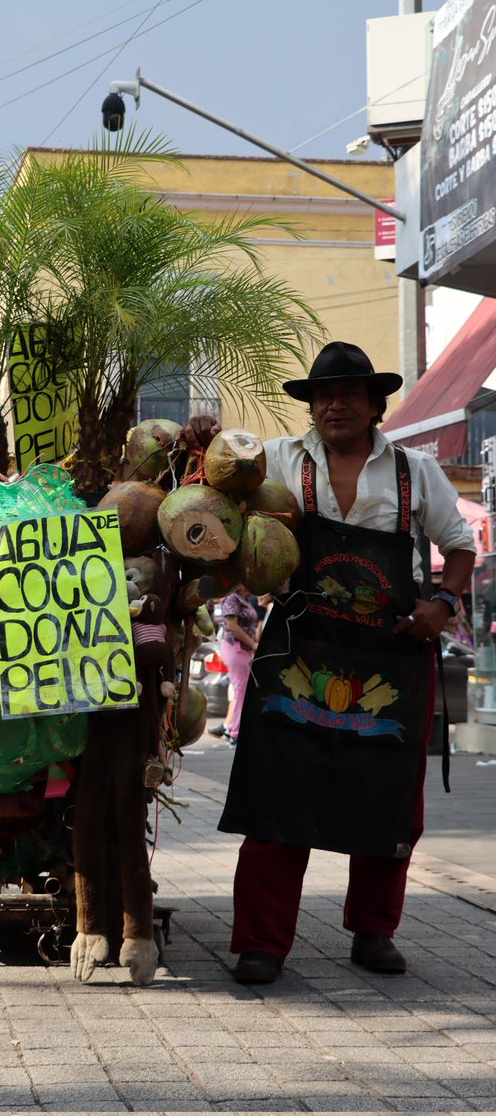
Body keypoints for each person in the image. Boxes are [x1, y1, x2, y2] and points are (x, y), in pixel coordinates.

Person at [214, 342, 476, 984]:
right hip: (296, 651)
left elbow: (459, 546)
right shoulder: (277, 459)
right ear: (311, 407)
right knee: (276, 795)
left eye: (350, 394)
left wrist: (443, 603)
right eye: (323, 396)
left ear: (375, 405)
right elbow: (219, 493)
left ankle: (374, 931)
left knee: (388, 798)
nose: (335, 405)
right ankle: (261, 943)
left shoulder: (416, 470)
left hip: (391, 660)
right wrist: (202, 449)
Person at [217, 586, 260, 744]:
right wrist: (253, 644)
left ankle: (234, 729)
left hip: (244, 649)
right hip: (236, 647)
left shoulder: (244, 600)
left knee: (242, 691)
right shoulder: (232, 598)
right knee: (241, 691)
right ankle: (236, 732)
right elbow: (232, 626)